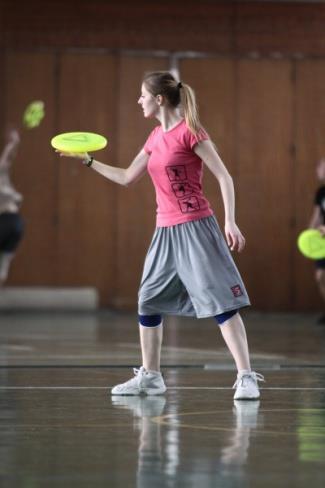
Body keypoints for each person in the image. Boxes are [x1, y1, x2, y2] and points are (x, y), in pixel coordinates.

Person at [57, 71, 264, 400]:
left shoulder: (190, 132)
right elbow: (127, 177)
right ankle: (151, 377)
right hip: (164, 231)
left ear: (159, 99)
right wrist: (88, 161)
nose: (138, 100)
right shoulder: (154, 137)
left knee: (222, 304)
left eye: (142, 95)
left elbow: (224, 177)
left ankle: (246, 376)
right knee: (148, 300)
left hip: (197, 227)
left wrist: (231, 221)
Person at [0, 128, 24, 286]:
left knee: (6, 256)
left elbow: (6, 162)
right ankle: (2, 274)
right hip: (11, 222)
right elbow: (4, 162)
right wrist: (13, 143)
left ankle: (2, 274)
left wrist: (13, 144)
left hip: (13, 221)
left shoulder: (3, 179)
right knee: (5, 256)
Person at [309, 158, 325, 322]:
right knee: (320, 276)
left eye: (321, 166)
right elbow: (317, 216)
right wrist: (309, 235)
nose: (318, 169)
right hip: (322, 240)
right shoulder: (321, 192)